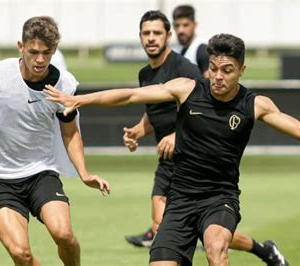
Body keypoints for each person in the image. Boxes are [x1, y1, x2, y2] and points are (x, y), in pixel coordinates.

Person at [44, 33, 300, 266]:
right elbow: (130, 96)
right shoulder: (187, 89)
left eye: (227, 70)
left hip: (219, 198)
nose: (218, 76)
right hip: (180, 199)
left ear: (242, 70)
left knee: (216, 248)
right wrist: (81, 99)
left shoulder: (254, 105)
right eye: (213, 69)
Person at [123, 10, 289, 266]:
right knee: (163, 229)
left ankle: (261, 249)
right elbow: (158, 111)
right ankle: (260, 249)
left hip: (193, 157)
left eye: (157, 33)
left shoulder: (187, 67)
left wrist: (177, 135)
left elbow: (202, 105)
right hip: (170, 161)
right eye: (146, 33)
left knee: (212, 239)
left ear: (167, 37)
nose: (151, 38)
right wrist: (138, 129)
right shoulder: (145, 73)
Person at [0, 16, 109, 266]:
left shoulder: (64, 84)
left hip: (40, 173)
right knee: (21, 254)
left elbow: (70, 133)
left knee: (64, 235)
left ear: (54, 51)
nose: (39, 59)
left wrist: (84, 172)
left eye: (46, 53)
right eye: (33, 51)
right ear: (20, 46)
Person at [172, 5, 209, 77]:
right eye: (177, 25)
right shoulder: (178, 51)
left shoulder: (202, 50)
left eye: (185, 25)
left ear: (195, 25)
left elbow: (209, 85)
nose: (180, 30)